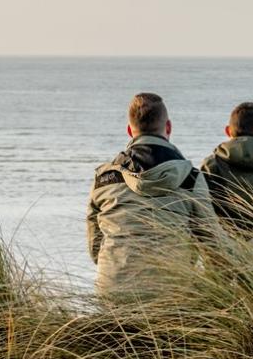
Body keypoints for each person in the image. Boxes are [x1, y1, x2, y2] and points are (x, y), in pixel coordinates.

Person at [86, 92, 227, 298]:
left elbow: (95, 248)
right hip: (170, 294)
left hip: (113, 291)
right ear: (168, 127)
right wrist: (251, 252)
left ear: (129, 130)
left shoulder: (104, 178)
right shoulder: (190, 178)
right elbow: (214, 246)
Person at [201, 102, 253, 265]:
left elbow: (202, 207)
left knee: (218, 289)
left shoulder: (212, 165)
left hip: (222, 245)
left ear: (227, 131)